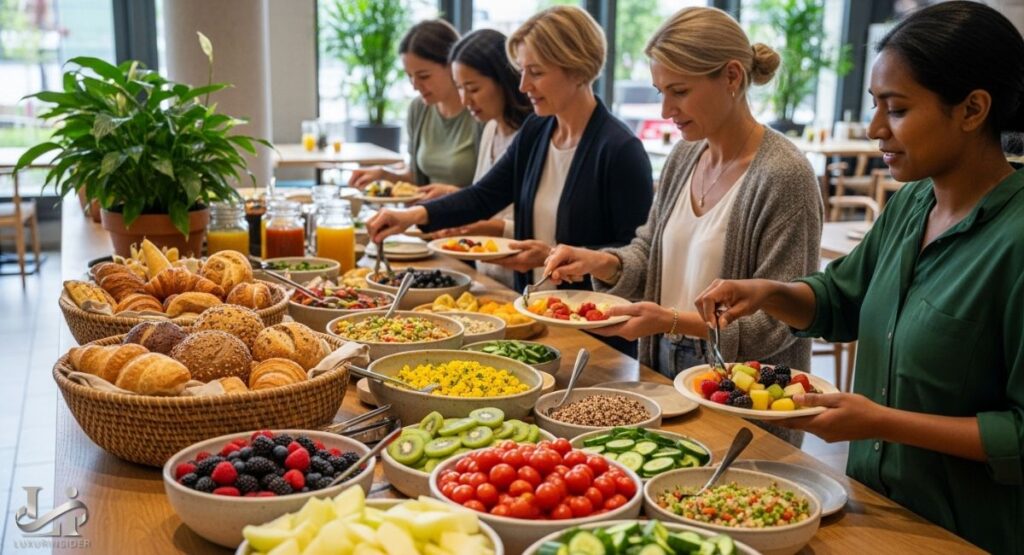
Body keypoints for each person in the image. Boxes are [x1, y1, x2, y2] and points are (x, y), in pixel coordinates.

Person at [694, 3, 1024, 551]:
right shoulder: (913, 203)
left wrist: (881, 422)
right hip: (873, 512)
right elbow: (841, 299)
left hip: (962, 535)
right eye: (875, 106)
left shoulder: (1014, 241)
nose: (874, 130)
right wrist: (768, 291)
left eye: (895, 110)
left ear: (972, 110)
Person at [542, 6, 821, 383]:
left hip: (740, 394)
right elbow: (649, 251)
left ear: (732, 76)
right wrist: (598, 262)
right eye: (661, 91)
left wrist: (672, 320)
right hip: (662, 370)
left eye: (680, 91)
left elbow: (780, 320)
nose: (666, 109)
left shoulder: (785, 176)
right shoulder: (685, 155)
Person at [367, 6, 654, 354]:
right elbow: (483, 196)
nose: (523, 86)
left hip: (592, 336)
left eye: (535, 72)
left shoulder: (620, 150)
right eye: (521, 71)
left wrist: (549, 255)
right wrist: (410, 216)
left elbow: (635, 259)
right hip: (534, 314)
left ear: (578, 69)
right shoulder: (537, 129)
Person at [428, 29, 533, 288]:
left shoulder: (533, 136)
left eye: (473, 88)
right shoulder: (490, 129)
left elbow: (539, 224)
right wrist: (456, 196)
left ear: (505, 80)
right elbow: (488, 197)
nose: (465, 100)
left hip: (522, 279)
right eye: (460, 88)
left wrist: (483, 226)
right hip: (487, 277)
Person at [349, 19, 480, 194]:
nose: (415, 85)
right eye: (409, 76)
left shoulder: (479, 110)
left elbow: (492, 193)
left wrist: (451, 194)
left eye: (424, 76)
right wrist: (384, 174)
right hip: (428, 215)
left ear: (452, 66)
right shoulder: (419, 109)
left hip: (470, 218)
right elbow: (417, 179)